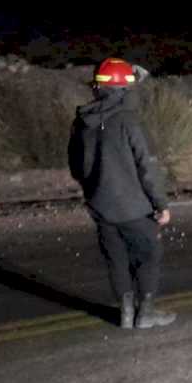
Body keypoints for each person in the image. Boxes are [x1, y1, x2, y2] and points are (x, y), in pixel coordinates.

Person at [68, 58, 176, 329]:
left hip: (100, 207)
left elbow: (76, 167)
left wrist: (96, 189)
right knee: (148, 256)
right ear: (124, 90)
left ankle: (126, 314)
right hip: (134, 208)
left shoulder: (82, 122)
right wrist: (160, 204)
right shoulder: (128, 121)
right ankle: (145, 313)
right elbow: (146, 166)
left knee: (116, 260)